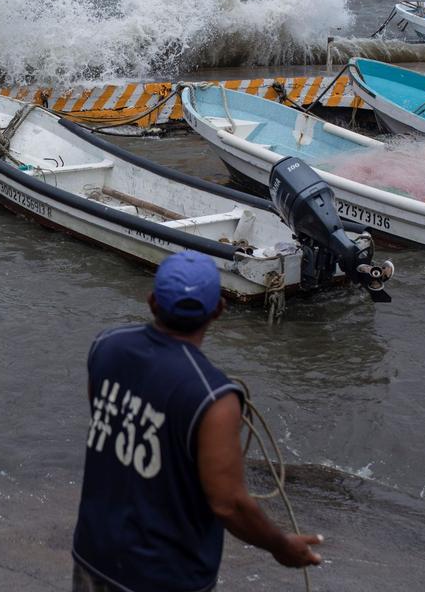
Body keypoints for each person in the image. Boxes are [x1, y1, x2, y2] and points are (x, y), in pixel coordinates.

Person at [72, 251, 324, 592]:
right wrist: (281, 545)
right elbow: (228, 503)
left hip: (94, 555)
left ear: (152, 302)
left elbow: (109, 424)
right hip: (165, 577)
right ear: (218, 310)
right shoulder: (214, 398)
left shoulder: (106, 347)